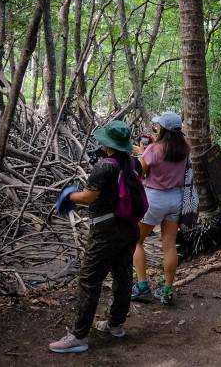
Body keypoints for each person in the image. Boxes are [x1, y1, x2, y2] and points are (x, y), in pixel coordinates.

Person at [48, 121, 143, 353]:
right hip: (129, 228)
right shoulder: (133, 163)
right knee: (122, 275)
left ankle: (79, 336)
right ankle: (115, 324)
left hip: (105, 231)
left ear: (107, 144)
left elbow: (89, 197)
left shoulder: (104, 167)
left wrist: (69, 196)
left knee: (89, 280)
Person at [131, 112, 190, 305]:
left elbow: (140, 171)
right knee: (169, 246)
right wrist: (145, 150)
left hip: (154, 198)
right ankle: (167, 290)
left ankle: (142, 287)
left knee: (136, 242)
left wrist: (143, 152)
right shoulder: (184, 149)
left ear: (163, 129)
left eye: (159, 127)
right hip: (175, 198)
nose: (157, 128)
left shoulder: (154, 149)